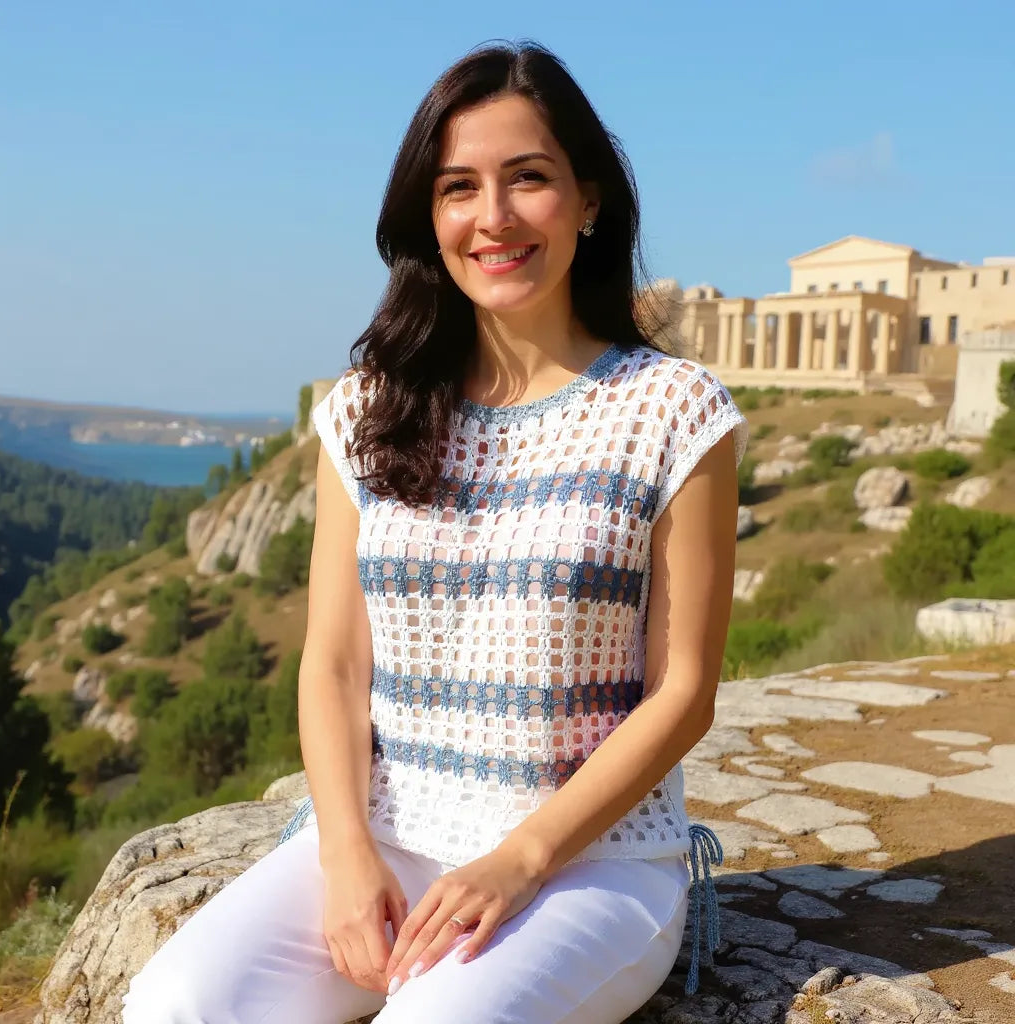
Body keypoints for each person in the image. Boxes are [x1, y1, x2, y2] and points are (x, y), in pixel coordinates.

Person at [121, 38, 748, 1024]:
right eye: (459, 187)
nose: (491, 217)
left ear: (587, 200)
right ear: (429, 213)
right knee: (175, 1005)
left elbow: (682, 693)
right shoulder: (367, 407)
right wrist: (342, 853)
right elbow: (332, 665)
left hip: (591, 865)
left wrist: (518, 859)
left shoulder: (673, 411)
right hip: (388, 837)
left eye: (527, 179)